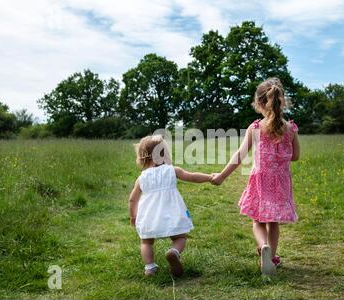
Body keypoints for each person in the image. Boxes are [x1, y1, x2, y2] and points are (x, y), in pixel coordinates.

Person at [212, 77, 301, 275]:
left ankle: (263, 246)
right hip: (281, 182)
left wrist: (221, 176)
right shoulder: (291, 129)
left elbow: (239, 156)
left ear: (260, 103)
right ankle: (272, 258)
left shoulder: (255, 128)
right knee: (273, 222)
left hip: (260, 180)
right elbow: (295, 156)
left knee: (257, 221)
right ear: (280, 101)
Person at [129, 135, 213, 277]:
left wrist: (133, 216)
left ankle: (149, 268)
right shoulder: (173, 170)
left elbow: (132, 199)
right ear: (164, 153)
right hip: (171, 213)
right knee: (180, 238)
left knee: (146, 242)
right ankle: (174, 252)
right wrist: (210, 177)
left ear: (142, 156)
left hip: (149, 216)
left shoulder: (142, 178)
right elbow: (192, 177)